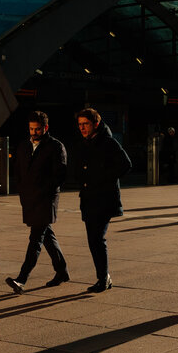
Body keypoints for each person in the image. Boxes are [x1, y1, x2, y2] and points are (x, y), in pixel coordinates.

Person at [5, 111, 70, 294]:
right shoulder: (24, 145)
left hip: (45, 199)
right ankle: (62, 271)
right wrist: (23, 192)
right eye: (31, 129)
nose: (34, 132)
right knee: (46, 236)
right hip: (29, 199)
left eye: (37, 129)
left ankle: (22, 279)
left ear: (45, 128)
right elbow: (17, 171)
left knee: (36, 239)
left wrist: (44, 190)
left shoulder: (56, 147)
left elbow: (60, 174)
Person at [75, 108, 132, 293]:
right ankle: (103, 277)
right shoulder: (85, 143)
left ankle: (103, 278)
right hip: (89, 198)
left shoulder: (108, 142)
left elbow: (126, 164)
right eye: (80, 124)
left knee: (97, 238)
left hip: (104, 199)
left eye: (86, 124)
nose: (82, 128)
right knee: (93, 240)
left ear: (96, 124)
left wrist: (104, 178)